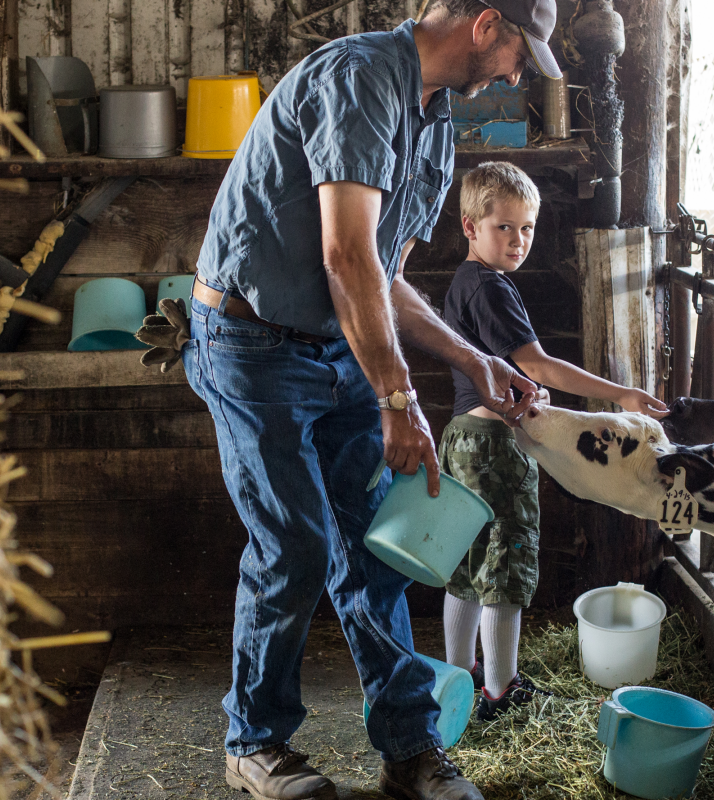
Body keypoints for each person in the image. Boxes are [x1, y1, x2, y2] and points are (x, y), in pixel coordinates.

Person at [176, 2, 565, 799]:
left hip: (335, 341)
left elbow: (383, 279)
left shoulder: (436, 120)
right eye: (522, 52)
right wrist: (397, 395)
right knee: (296, 547)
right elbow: (345, 254)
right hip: (252, 342)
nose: (517, 74)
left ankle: (410, 749)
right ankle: (254, 742)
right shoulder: (360, 78)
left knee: (381, 546)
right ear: (487, 24)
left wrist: (473, 358)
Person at [436, 162, 667, 721]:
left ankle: (461, 678)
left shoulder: (465, 284)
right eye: (504, 228)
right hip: (493, 447)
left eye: (528, 228)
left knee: (467, 564)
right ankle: (501, 690)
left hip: (461, 439)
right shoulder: (491, 289)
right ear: (470, 227)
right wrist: (621, 394)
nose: (519, 241)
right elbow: (537, 364)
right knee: (506, 564)